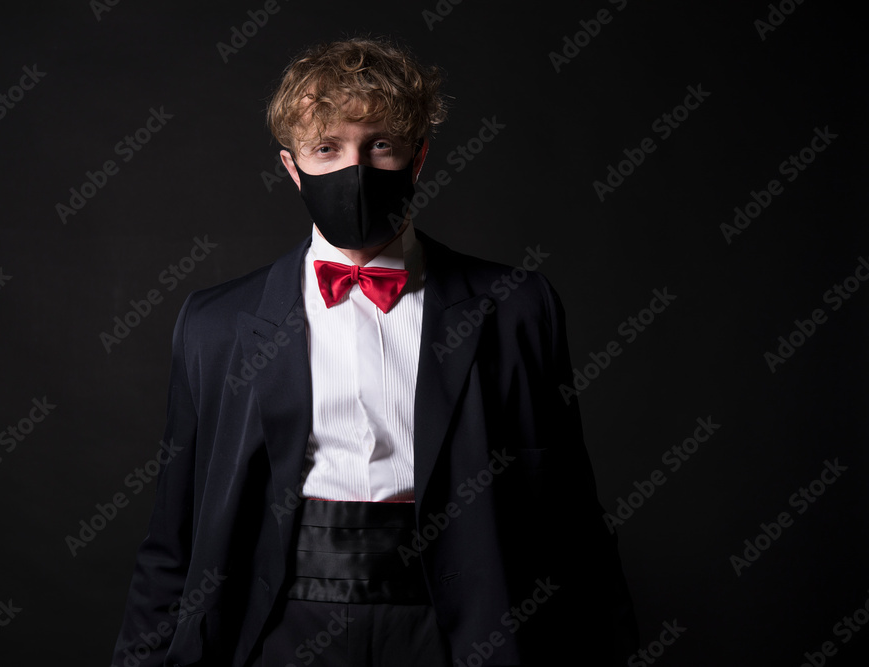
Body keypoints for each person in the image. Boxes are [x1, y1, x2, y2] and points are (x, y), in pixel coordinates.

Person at [111, 36, 638, 667]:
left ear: (417, 160)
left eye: (379, 145)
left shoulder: (516, 306)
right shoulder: (215, 322)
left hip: (457, 627)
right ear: (291, 166)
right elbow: (174, 530)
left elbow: (568, 511)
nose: (353, 170)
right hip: (276, 623)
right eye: (326, 148)